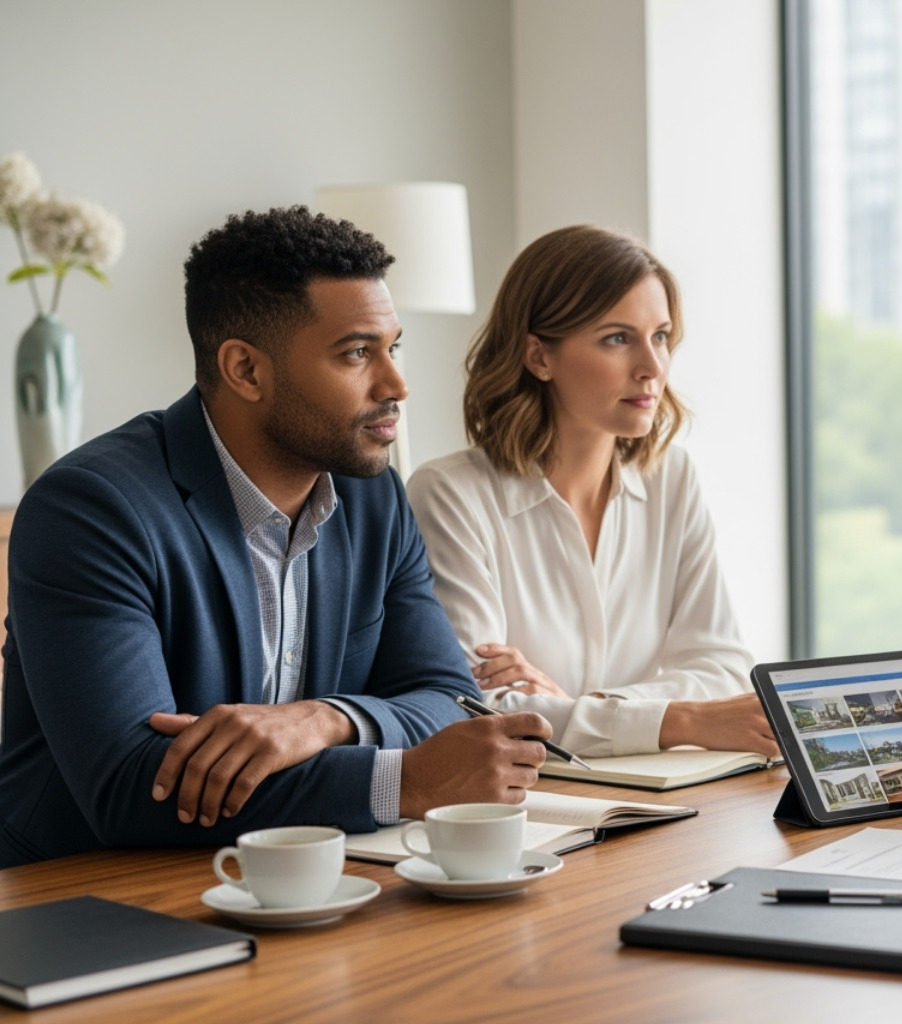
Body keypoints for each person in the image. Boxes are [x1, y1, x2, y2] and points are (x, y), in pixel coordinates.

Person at [0, 207, 551, 868]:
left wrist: (325, 719)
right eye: (356, 353)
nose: (396, 384)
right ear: (245, 370)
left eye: (393, 347)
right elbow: (129, 786)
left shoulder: (373, 496)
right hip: (88, 905)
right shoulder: (91, 509)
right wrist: (406, 781)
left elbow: (449, 702)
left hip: (299, 881)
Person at [407, 225, 775, 758]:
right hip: (530, 805)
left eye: (661, 336)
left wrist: (580, 703)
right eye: (617, 338)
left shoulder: (673, 479)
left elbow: (723, 668)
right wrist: (680, 718)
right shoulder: (450, 495)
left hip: (661, 795)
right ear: (539, 356)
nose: (652, 369)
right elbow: (476, 708)